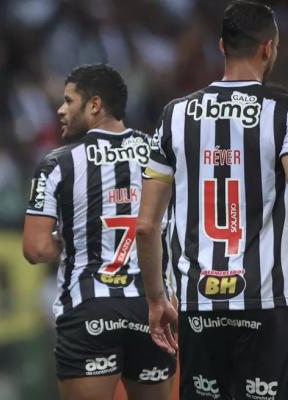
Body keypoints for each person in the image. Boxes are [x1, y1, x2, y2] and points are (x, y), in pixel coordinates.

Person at [136, 1, 288, 399]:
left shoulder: (174, 115)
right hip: (265, 299)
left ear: (222, 46)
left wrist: (155, 299)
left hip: (196, 301)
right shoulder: (282, 112)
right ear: (269, 48)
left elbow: (147, 226)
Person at [23, 63, 175, 400]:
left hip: (89, 308)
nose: (60, 109)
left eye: (68, 101)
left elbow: (35, 249)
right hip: (150, 306)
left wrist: (77, 241)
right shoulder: (160, 152)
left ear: (94, 105)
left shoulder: (57, 163)